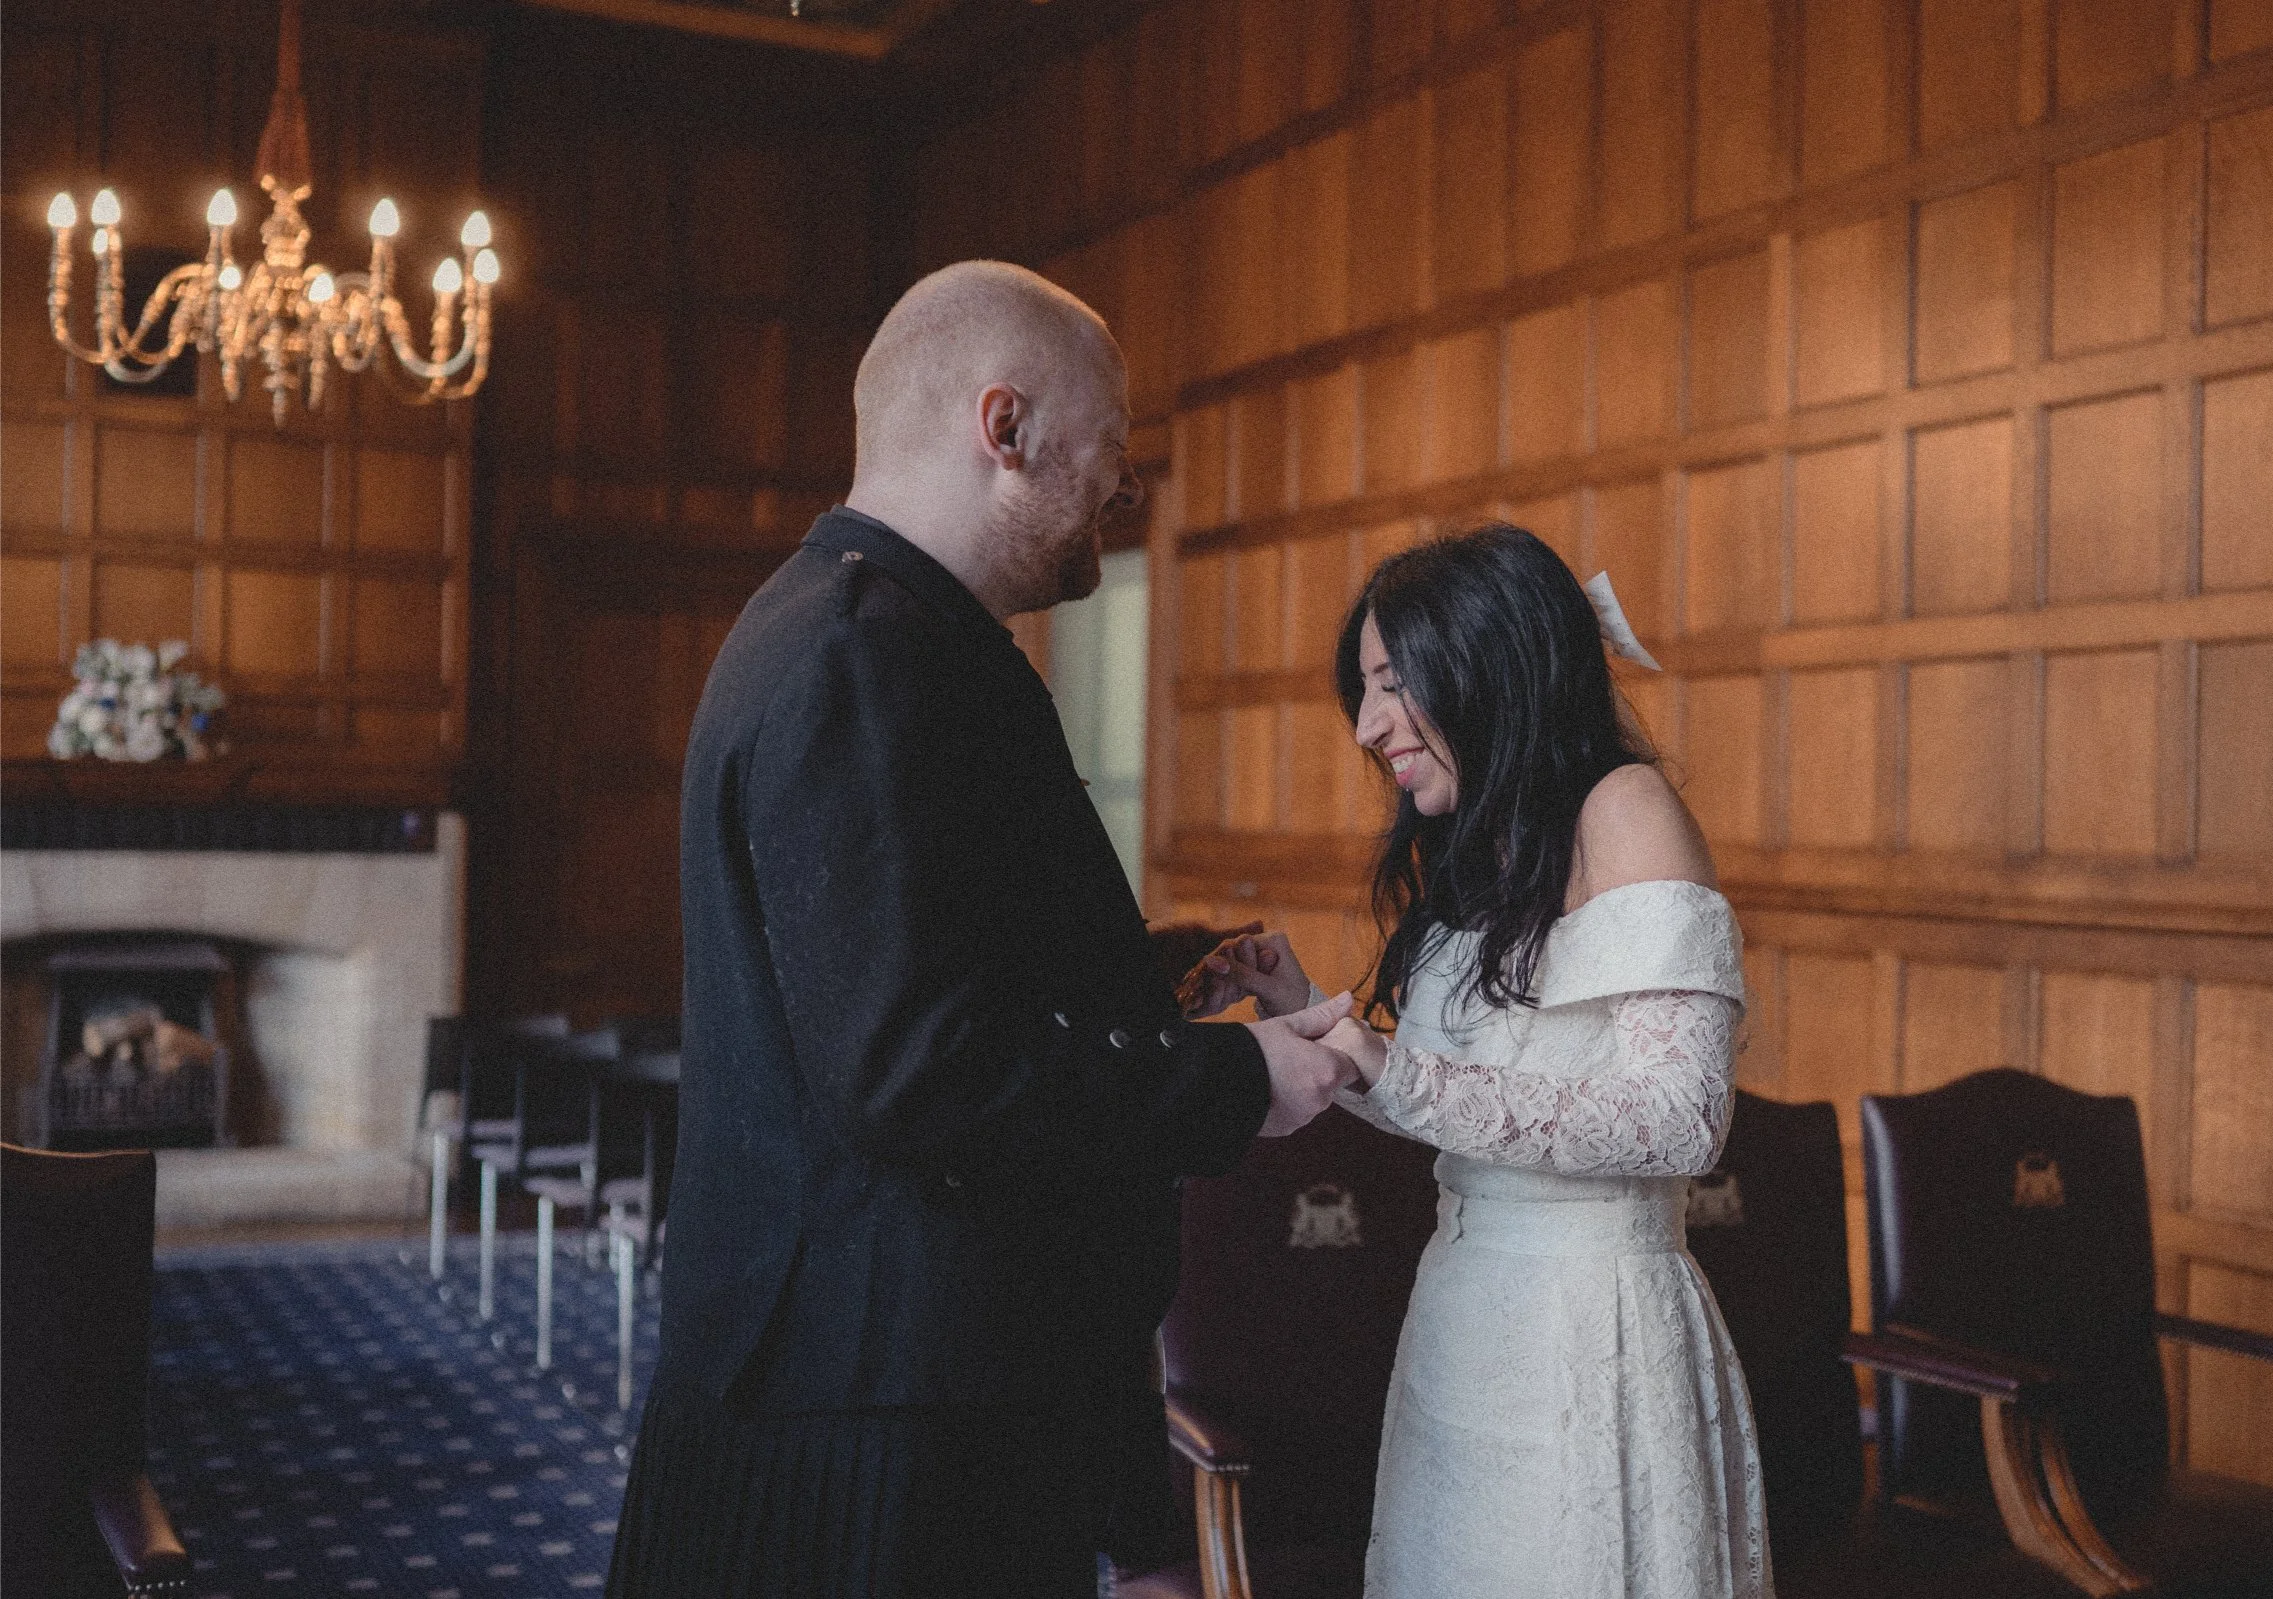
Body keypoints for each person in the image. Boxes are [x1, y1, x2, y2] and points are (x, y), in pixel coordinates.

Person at [606, 260, 1359, 1599]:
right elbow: (912, 1064)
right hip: (866, 1417)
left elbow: (930, 961)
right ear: (1002, 429)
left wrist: (1147, 976)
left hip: (912, 1375)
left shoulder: (892, 631)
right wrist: (1238, 1080)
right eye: (1108, 454)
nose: (1117, 496)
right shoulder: (859, 652)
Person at [1187, 525, 1774, 1599]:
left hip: (1588, 1333)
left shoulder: (1626, 811)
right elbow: (1455, 1107)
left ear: (1486, 665)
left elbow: (1681, 1118)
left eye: (1387, 684)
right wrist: (1322, 1025)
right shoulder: (1489, 843)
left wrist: (1391, 1066)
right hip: (1465, 1317)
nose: (1366, 727)